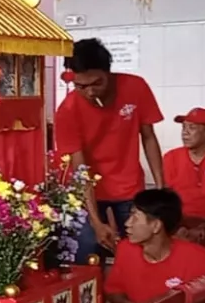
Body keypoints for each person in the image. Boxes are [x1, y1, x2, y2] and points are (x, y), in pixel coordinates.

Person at [55, 38, 164, 260]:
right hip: (87, 192)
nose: (90, 92)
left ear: (109, 73)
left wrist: (160, 189)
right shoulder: (67, 110)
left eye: (97, 83)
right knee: (85, 247)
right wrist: (96, 221)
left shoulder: (135, 87)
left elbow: (149, 137)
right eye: (81, 86)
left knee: (140, 250)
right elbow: (80, 168)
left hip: (129, 186)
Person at [105, 188, 205, 303]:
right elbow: (114, 291)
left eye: (136, 218)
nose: (127, 223)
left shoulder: (199, 258)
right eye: (130, 216)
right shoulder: (125, 249)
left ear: (156, 226)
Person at [161, 107, 205, 250]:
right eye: (184, 127)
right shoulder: (171, 157)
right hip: (179, 223)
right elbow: (167, 199)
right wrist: (178, 226)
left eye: (192, 128)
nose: (185, 133)